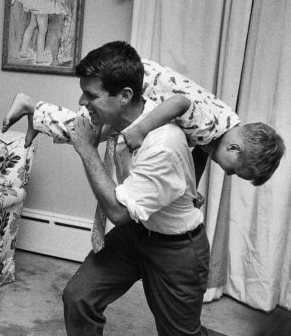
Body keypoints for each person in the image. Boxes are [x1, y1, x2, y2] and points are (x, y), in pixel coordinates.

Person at [28, 41, 209, 334]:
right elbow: (69, 123)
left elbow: (118, 212)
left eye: (90, 95)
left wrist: (87, 151)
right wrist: (32, 112)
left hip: (175, 246)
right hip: (135, 233)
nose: (82, 101)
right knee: (79, 297)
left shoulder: (162, 144)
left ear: (125, 95)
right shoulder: (121, 117)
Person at [2, 57, 285, 187]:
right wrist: (140, 130)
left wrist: (190, 190)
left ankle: (36, 115)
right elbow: (179, 103)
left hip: (145, 79)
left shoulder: (221, 129)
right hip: (141, 85)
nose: (229, 173)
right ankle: (30, 105)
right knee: (87, 130)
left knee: (90, 131)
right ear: (235, 150)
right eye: (235, 172)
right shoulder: (212, 125)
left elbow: (200, 155)